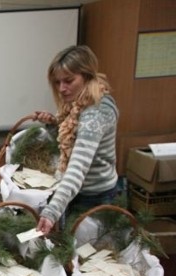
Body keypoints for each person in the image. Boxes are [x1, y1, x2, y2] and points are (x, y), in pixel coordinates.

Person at [33, 45, 119, 235]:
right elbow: (74, 138)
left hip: (94, 196)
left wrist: (52, 211)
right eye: (57, 83)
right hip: (79, 192)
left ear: (87, 76)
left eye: (68, 81)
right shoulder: (79, 103)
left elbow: (77, 167)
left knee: (84, 252)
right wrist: (55, 124)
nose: (62, 89)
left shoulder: (95, 113)